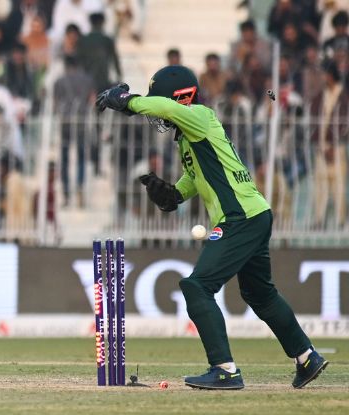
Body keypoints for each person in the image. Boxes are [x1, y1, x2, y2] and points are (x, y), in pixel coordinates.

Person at [95, 66, 329, 390]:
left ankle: (225, 369)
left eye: (164, 103)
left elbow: (164, 108)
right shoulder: (190, 135)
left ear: (183, 99)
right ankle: (307, 358)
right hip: (253, 214)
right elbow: (195, 178)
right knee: (259, 294)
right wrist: (173, 194)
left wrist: (127, 100)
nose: (160, 115)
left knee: (197, 286)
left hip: (239, 218)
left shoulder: (199, 115)